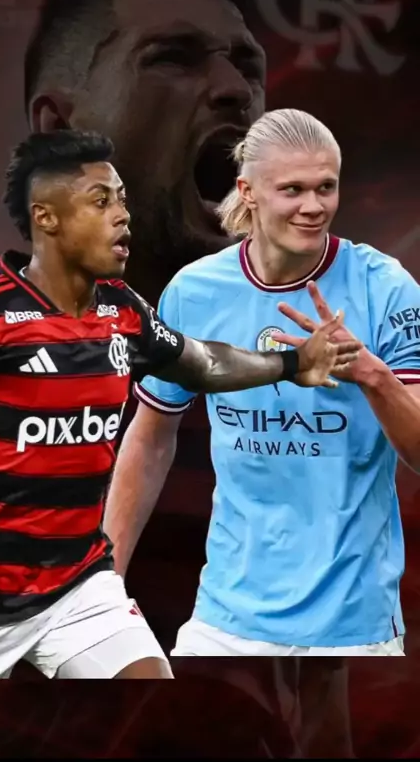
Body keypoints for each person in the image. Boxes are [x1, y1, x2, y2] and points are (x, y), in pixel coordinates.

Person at [0, 128, 359, 680]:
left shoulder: (122, 310)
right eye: (101, 201)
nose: (122, 215)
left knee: (152, 702)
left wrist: (292, 363)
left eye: (122, 199)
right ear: (47, 217)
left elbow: (201, 363)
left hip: (76, 589)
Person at [105, 108, 420, 656]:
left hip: (354, 628)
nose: (314, 206)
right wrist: (106, 583)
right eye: (293, 189)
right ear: (248, 191)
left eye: (326, 187)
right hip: (223, 622)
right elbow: (150, 439)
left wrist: (371, 375)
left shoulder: (384, 287)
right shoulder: (195, 292)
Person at [24, 0, 266, 304]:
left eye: (248, 68)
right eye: (173, 59)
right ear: (60, 132)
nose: (237, 88)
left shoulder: (328, 329)